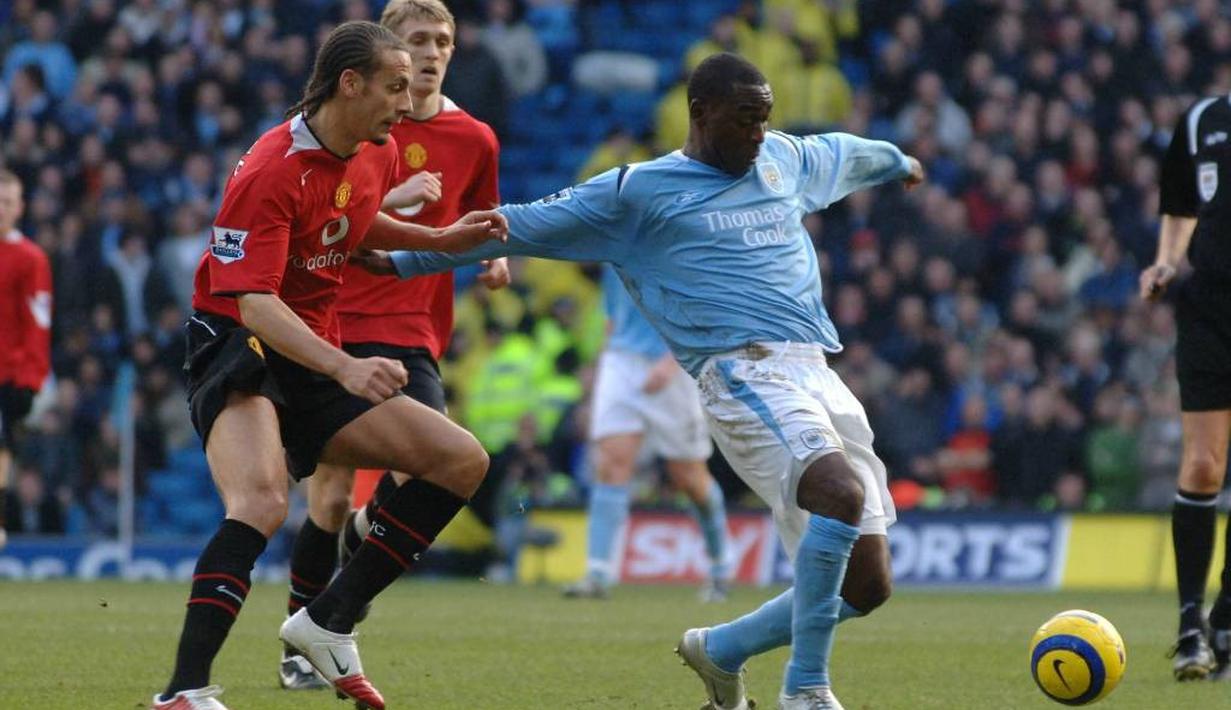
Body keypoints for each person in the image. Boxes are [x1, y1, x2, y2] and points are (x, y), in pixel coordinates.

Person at [366, 52, 925, 710]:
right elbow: (510, 226)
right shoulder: (637, 193)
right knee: (835, 491)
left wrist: (899, 162)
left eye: (764, 119)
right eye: (744, 119)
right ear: (699, 113)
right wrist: (398, 258)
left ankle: (720, 650)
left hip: (815, 371)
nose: (757, 132)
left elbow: (850, 154)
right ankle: (804, 690)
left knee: (867, 585)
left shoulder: (782, 159)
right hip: (740, 372)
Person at [151, 21, 506, 710]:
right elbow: (253, 304)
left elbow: (358, 220)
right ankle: (183, 692)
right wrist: (345, 369)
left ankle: (324, 619)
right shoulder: (269, 168)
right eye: (394, 88)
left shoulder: (369, 147)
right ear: (351, 84)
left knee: (460, 460)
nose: (407, 106)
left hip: (312, 344)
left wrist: (438, 238)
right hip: (239, 347)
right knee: (259, 502)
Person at [277, 0, 507, 692]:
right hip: (335, 322)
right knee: (329, 495)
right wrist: (394, 201)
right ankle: (303, 643)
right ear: (389, 52)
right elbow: (321, 210)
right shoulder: (365, 127)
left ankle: (344, 579)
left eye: (442, 40)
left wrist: (498, 257)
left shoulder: (476, 138)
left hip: (414, 330)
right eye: (417, 41)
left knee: (429, 471)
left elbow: (483, 216)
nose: (431, 52)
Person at [562, 264, 732, 601]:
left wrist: (670, 363)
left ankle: (720, 566)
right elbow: (612, 311)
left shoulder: (676, 239)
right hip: (621, 360)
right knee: (610, 465)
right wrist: (601, 363)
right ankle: (597, 573)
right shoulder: (615, 238)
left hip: (674, 362)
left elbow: (701, 309)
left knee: (688, 477)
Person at [1141, 93, 1231, 682]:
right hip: (1210, 308)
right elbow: (1179, 206)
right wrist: (1167, 261)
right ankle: (1190, 626)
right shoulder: (1204, 120)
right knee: (1202, 466)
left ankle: (1226, 617)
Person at [0, 169, 52, 551]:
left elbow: (38, 322)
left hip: (8, 375)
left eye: (7, 202)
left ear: (19, 209)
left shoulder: (29, 258)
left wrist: (31, 378)